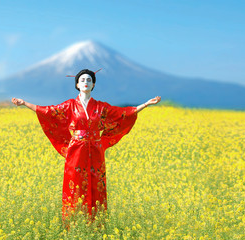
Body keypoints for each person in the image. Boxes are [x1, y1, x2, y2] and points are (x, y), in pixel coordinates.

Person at [11, 69, 161, 219]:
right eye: (82, 80)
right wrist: (24, 103)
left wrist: (146, 104)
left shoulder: (101, 107)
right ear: (77, 84)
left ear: (93, 84)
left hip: (96, 149)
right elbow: (49, 111)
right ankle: (74, 223)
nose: (86, 83)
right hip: (75, 150)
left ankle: (96, 224)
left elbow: (122, 113)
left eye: (89, 80)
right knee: (75, 184)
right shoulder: (70, 105)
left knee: (97, 184)